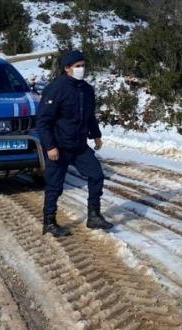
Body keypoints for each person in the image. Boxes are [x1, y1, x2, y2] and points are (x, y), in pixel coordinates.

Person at [36, 50, 114, 237]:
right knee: (55, 185)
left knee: (96, 175)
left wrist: (96, 135)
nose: (82, 69)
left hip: (79, 146)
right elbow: (43, 121)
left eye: (83, 65)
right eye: (77, 66)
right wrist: (50, 146)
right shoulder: (55, 89)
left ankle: (94, 216)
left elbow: (89, 116)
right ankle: (49, 222)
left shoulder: (87, 90)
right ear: (67, 68)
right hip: (59, 146)